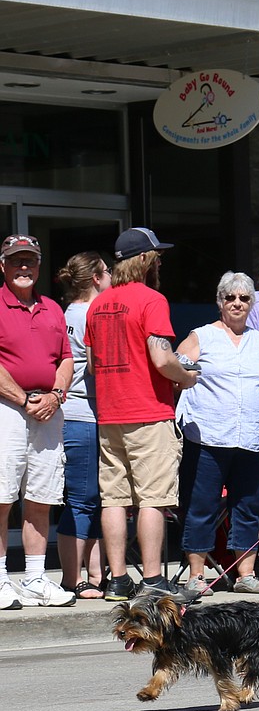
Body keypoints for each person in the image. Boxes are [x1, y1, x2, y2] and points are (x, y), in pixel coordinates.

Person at [85, 227, 199, 603]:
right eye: (157, 255)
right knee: (152, 497)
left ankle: (117, 580)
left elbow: (91, 363)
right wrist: (186, 377)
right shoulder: (152, 299)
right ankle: (153, 579)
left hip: (111, 413)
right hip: (149, 411)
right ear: (146, 259)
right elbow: (162, 357)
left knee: (114, 497)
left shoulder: (97, 305)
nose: (161, 261)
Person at [174, 272, 259, 596]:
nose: (236, 303)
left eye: (244, 298)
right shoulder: (201, 337)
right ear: (220, 302)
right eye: (230, 297)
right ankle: (196, 575)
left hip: (252, 438)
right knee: (200, 505)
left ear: (252, 303)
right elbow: (176, 373)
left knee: (247, 507)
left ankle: (245, 573)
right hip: (209, 436)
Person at [0, 234, 76, 609]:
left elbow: (66, 359)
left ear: (40, 266)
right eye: (16, 260)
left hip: (48, 409)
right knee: (0, 497)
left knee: (41, 497)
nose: (24, 267)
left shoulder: (52, 309)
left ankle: (33, 578)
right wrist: (23, 399)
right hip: (7, 408)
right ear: (3, 266)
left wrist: (56, 395)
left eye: (30, 260)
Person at [55, 251, 111, 600]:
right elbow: (96, 366)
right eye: (106, 273)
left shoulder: (66, 314)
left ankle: (93, 575)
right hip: (82, 413)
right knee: (82, 499)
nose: (111, 280)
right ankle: (71, 578)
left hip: (79, 414)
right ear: (95, 279)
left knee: (90, 497)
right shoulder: (92, 313)